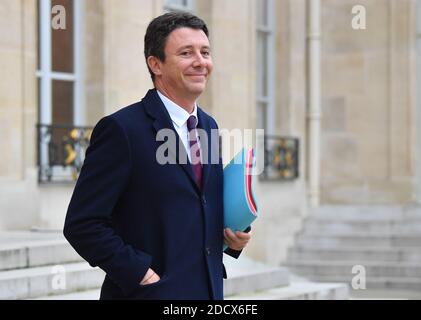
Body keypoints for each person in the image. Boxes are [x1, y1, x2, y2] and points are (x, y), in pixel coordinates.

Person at [63, 11, 251, 300]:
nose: (200, 62)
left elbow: (199, 205)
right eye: (186, 53)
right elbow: (82, 224)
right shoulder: (121, 130)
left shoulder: (208, 126)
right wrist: (140, 273)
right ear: (156, 64)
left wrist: (234, 238)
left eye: (205, 52)